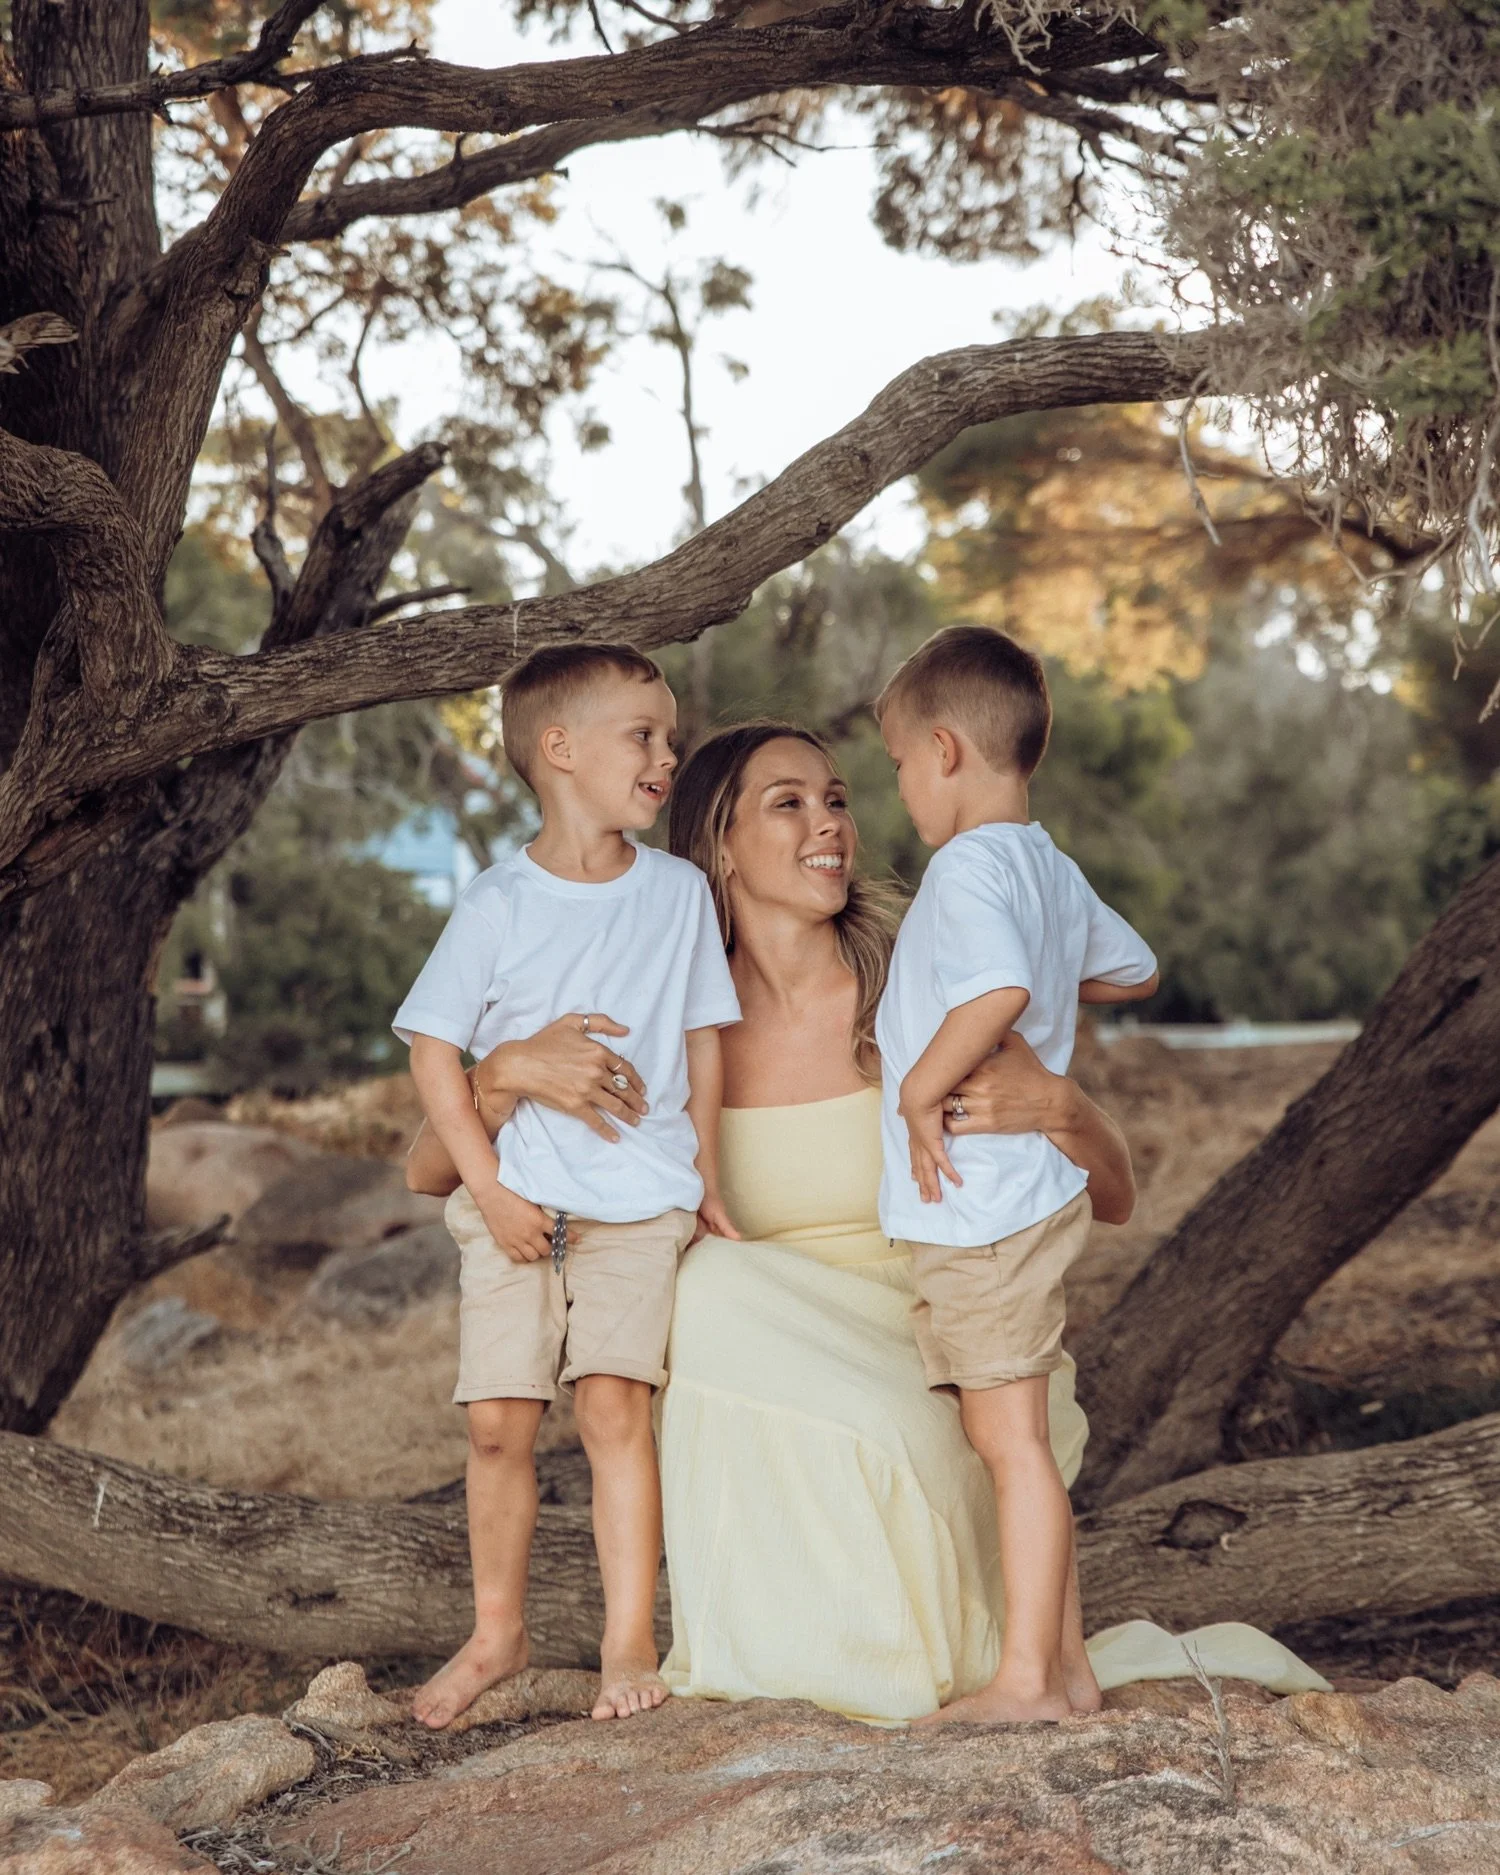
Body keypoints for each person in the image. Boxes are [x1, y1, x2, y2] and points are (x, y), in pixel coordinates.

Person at [411, 718, 1328, 1725]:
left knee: (728, 1304)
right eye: (789, 803)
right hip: (765, 1358)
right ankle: (792, 1656)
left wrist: (1064, 1109)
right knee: (703, 1287)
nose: (829, 824)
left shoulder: (927, 985)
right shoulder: (662, 1010)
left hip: (942, 1350)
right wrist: (495, 1075)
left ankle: (952, 1649)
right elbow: (428, 1168)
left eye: (839, 798)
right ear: (719, 844)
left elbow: (1112, 1199)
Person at [393, 644, 741, 1729]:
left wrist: (708, 1180)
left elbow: (704, 1038)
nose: (666, 755)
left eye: (670, 737)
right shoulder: (498, 904)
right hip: (517, 1203)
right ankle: (498, 1634)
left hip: (638, 1201)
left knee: (612, 1405)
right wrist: (490, 1189)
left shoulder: (678, 894)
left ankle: (628, 1637)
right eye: (644, 734)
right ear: (559, 750)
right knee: (498, 1423)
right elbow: (433, 1056)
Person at [874, 626, 1158, 1723]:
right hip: (1014, 1203)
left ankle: (1029, 1680)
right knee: (1017, 1443)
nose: (899, 789)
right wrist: (1054, 966)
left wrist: (918, 1088)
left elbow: (990, 992)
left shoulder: (965, 870)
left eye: (898, 765)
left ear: (944, 751)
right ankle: (1070, 1669)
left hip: (985, 1211)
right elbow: (1132, 967)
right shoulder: (1045, 866)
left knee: (1014, 1449)